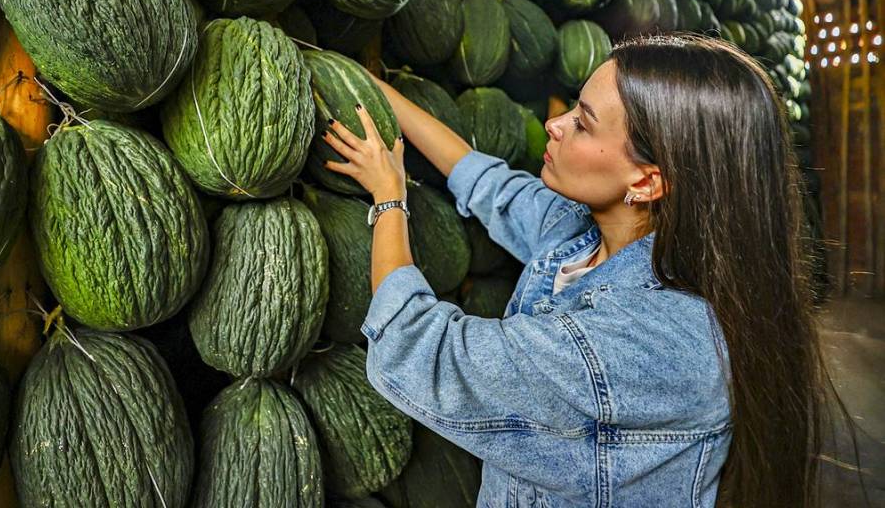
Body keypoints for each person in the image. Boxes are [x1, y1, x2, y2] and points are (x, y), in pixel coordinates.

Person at [320, 33, 864, 508]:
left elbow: (421, 350)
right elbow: (484, 180)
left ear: (647, 182)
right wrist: (369, 90)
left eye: (582, 123)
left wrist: (389, 198)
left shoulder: (648, 344)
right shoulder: (589, 233)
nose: (554, 125)